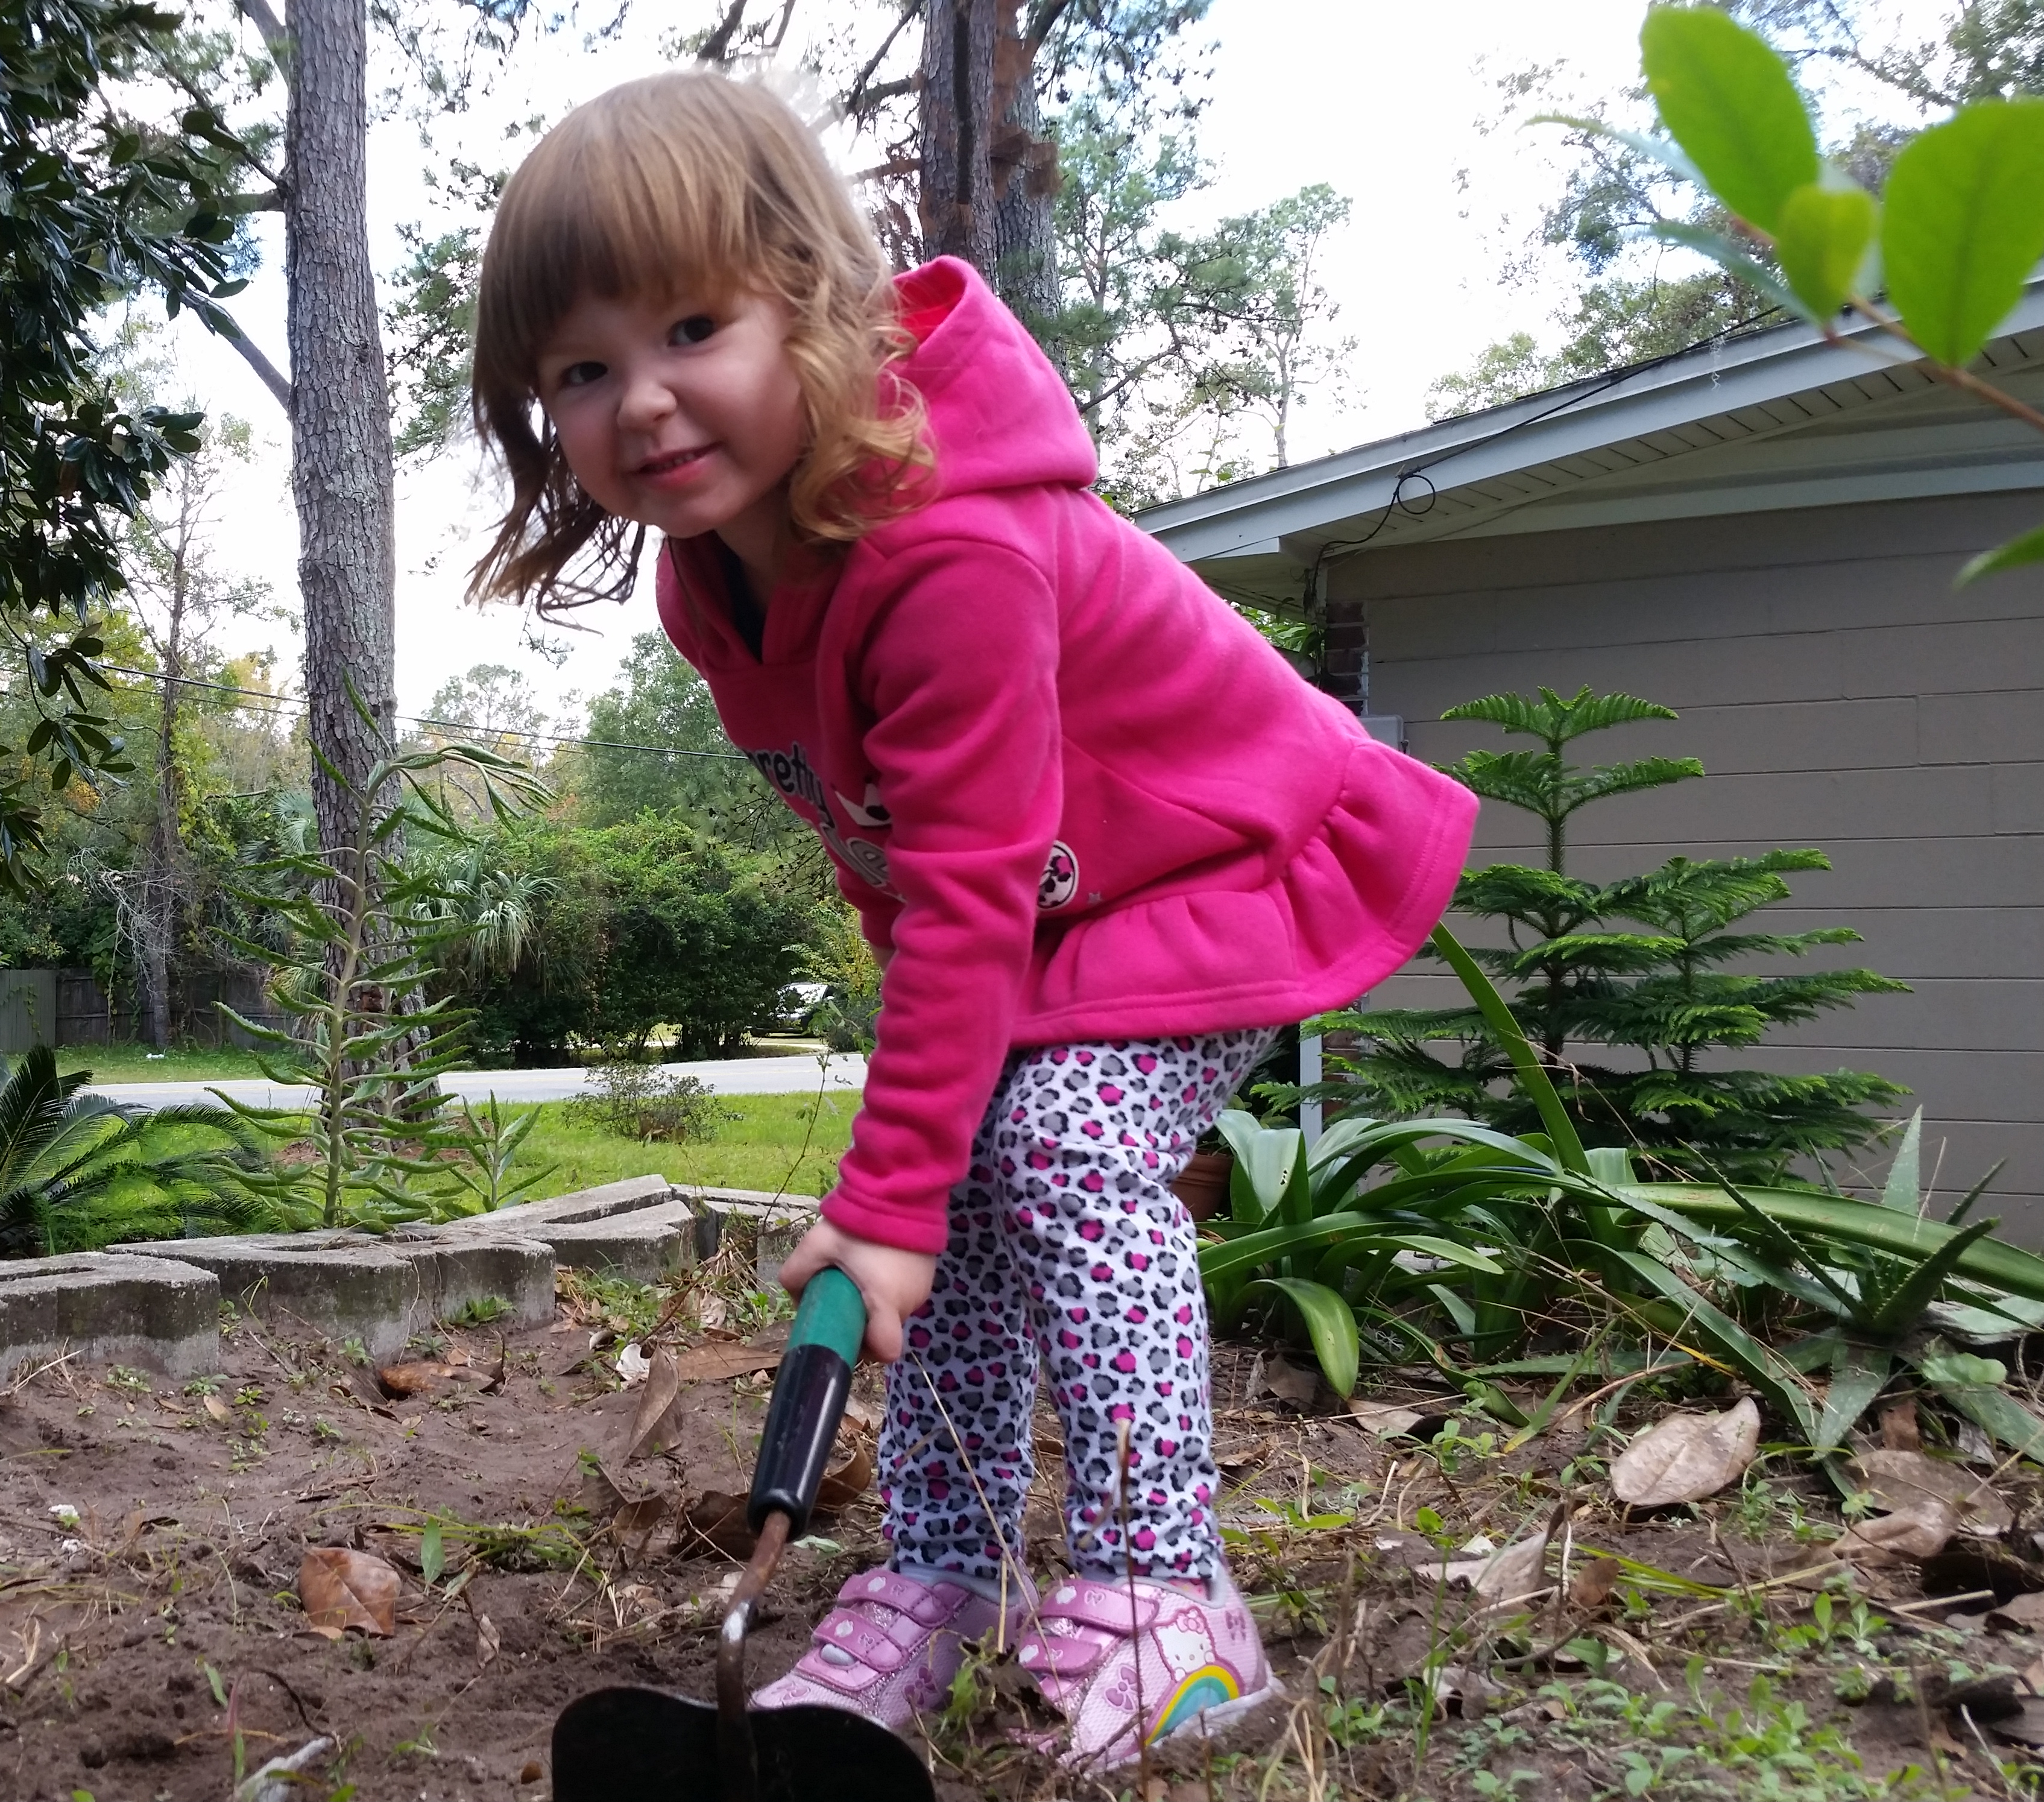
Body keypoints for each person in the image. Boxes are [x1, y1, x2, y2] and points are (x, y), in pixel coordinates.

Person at [464, 70, 1477, 1768]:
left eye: (693, 326)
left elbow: (968, 885)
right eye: (583, 368)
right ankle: (937, 1571)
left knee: (1063, 1144)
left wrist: (886, 1185)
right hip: (1053, 912)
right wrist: (908, 1186)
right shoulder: (712, 581)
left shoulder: (950, 551)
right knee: (961, 1201)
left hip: (1223, 859)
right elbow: (897, 854)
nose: (641, 402)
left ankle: (1177, 1602)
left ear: (810, 300)